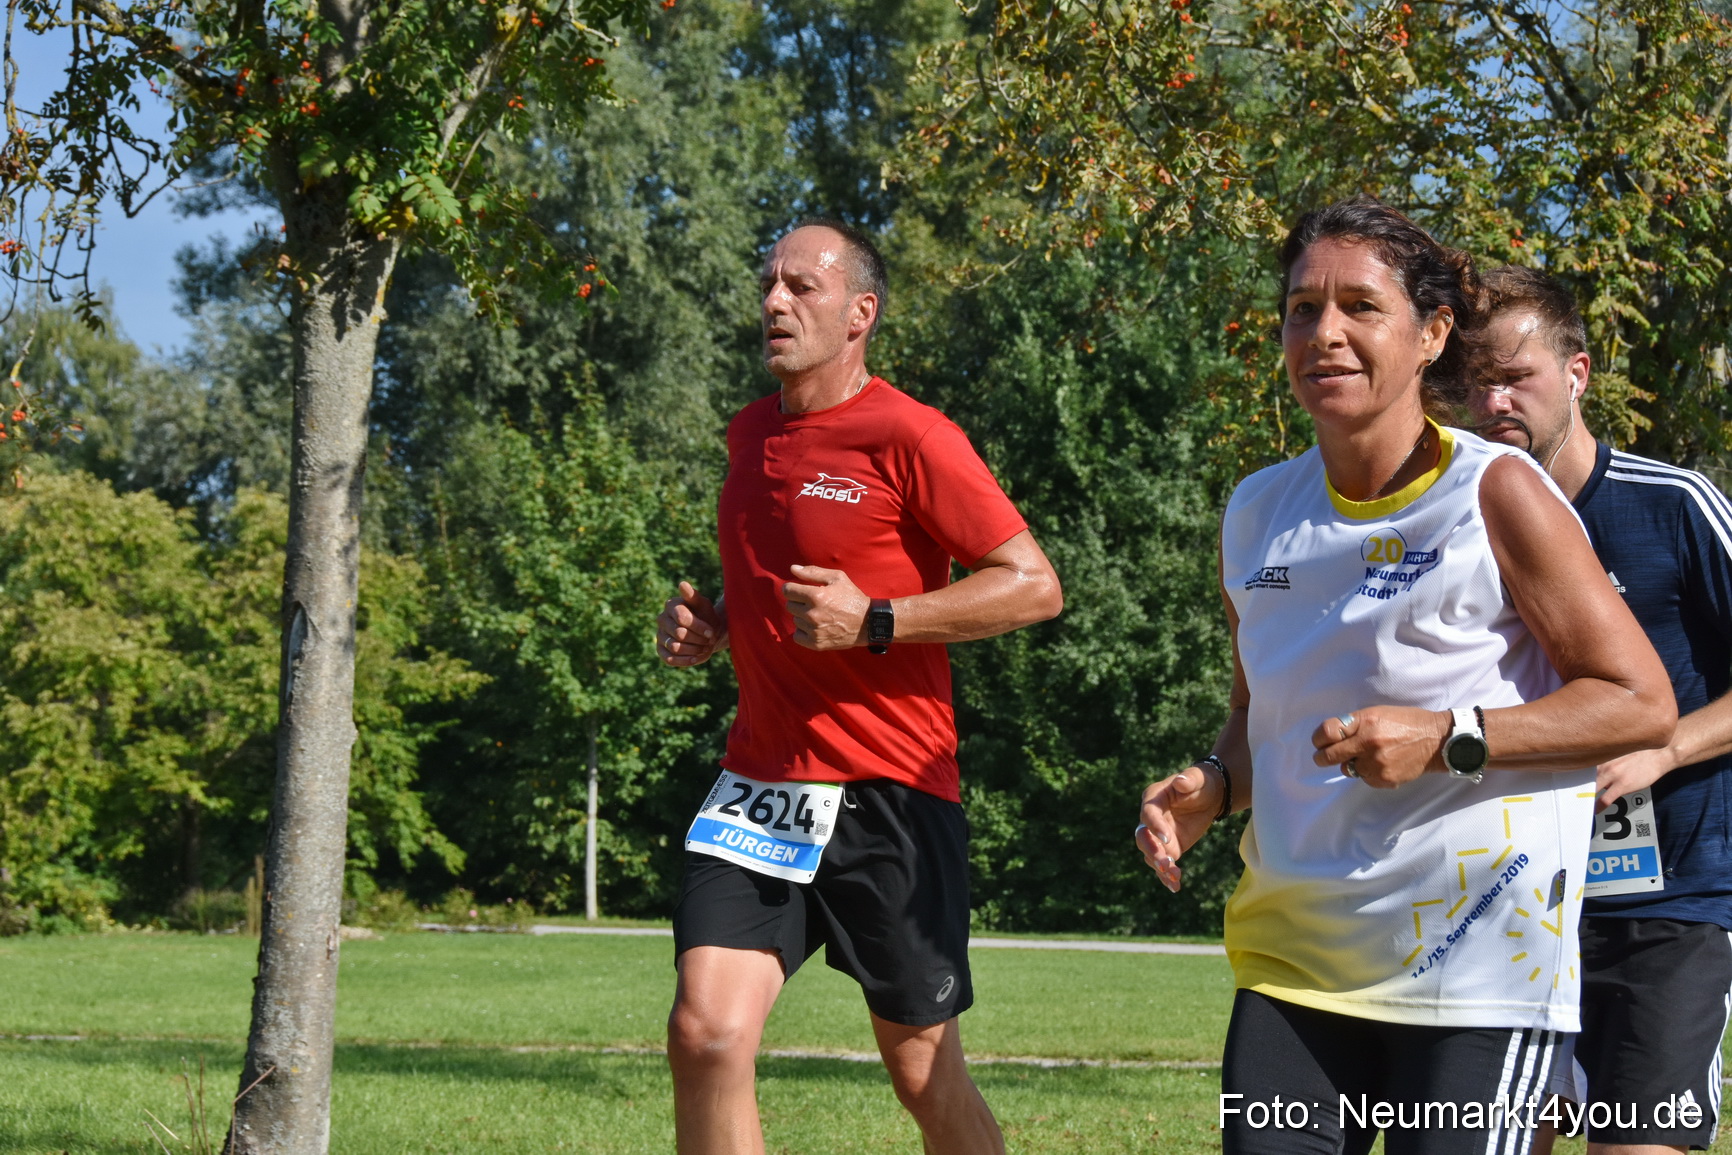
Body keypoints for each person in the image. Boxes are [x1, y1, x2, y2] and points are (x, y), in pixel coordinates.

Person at [1135, 198, 1676, 1155]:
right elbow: (1260, 715)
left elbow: (1639, 701)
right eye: (1303, 308)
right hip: (1297, 963)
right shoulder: (1258, 511)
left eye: (1359, 307)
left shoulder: (1498, 492)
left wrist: (1452, 736)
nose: (1325, 334)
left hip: (1480, 964)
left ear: (1431, 336)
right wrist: (1214, 788)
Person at [654, 219, 1063, 1155]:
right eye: (770, 284)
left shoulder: (911, 433)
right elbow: (772, 571)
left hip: (891, 794)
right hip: (762, 786)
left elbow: (1034, 584)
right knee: (704, 1034)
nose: (774, 302)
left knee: (924, 1073)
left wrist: (878, 618)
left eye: (803, 286)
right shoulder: (750, 431)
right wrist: (713, 623)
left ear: (860, 313)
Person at [1468, 265, 1732, 1155]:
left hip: (1670, 907)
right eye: (1478, 380)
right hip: (1515, 902)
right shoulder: (1463, 521)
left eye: (1518, 375)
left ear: (1577, 373)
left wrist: (1661, 749)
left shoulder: (1675, 506)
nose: (1496, 398)